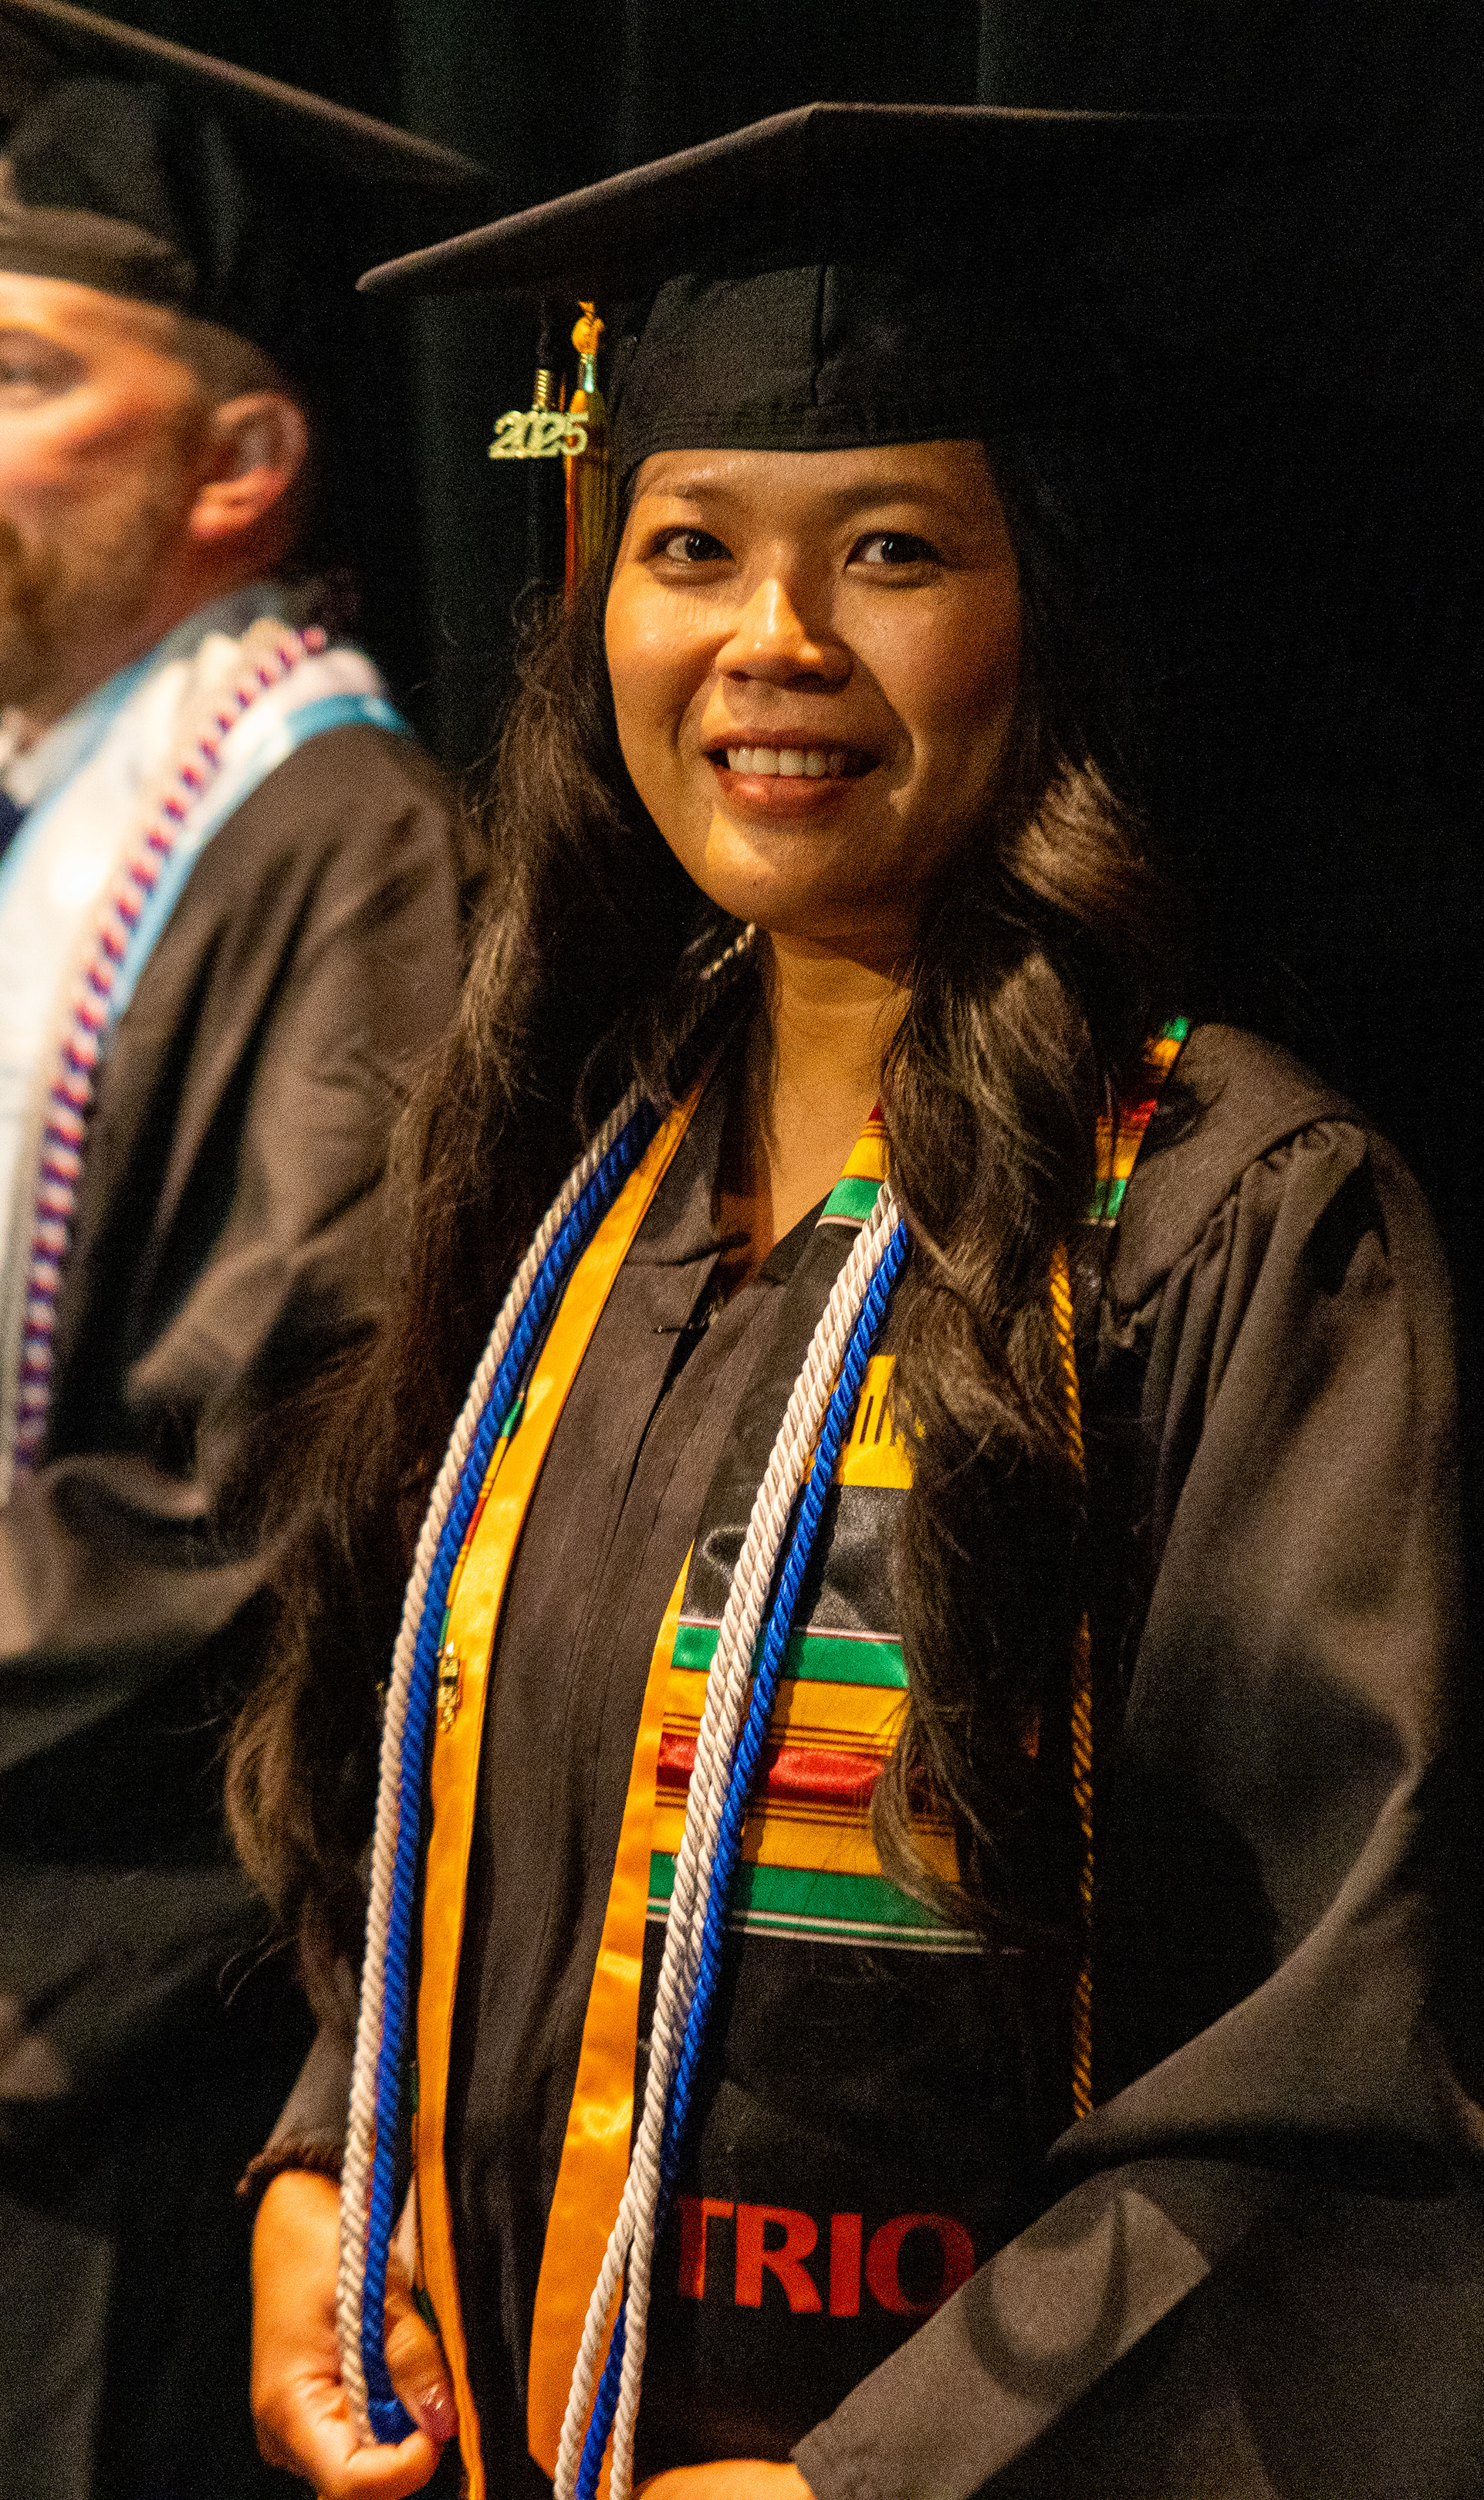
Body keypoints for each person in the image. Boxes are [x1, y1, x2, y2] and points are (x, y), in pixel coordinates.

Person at [233, 105, 1484, 2500]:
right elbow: (449, 1810)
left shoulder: (1230, 1225)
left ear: (1045, 595)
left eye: (888, 550)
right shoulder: (562, 1188)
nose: (772, 642)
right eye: (687, 549)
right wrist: (324, 2169)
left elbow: (1345, 2058)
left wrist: (896, 2482)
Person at [0, 8, 482, 2495]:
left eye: (15, 373)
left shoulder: (337, 836)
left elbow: (274, 1466)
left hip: (128, 2034)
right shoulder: (36, 823)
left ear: (245, 459)